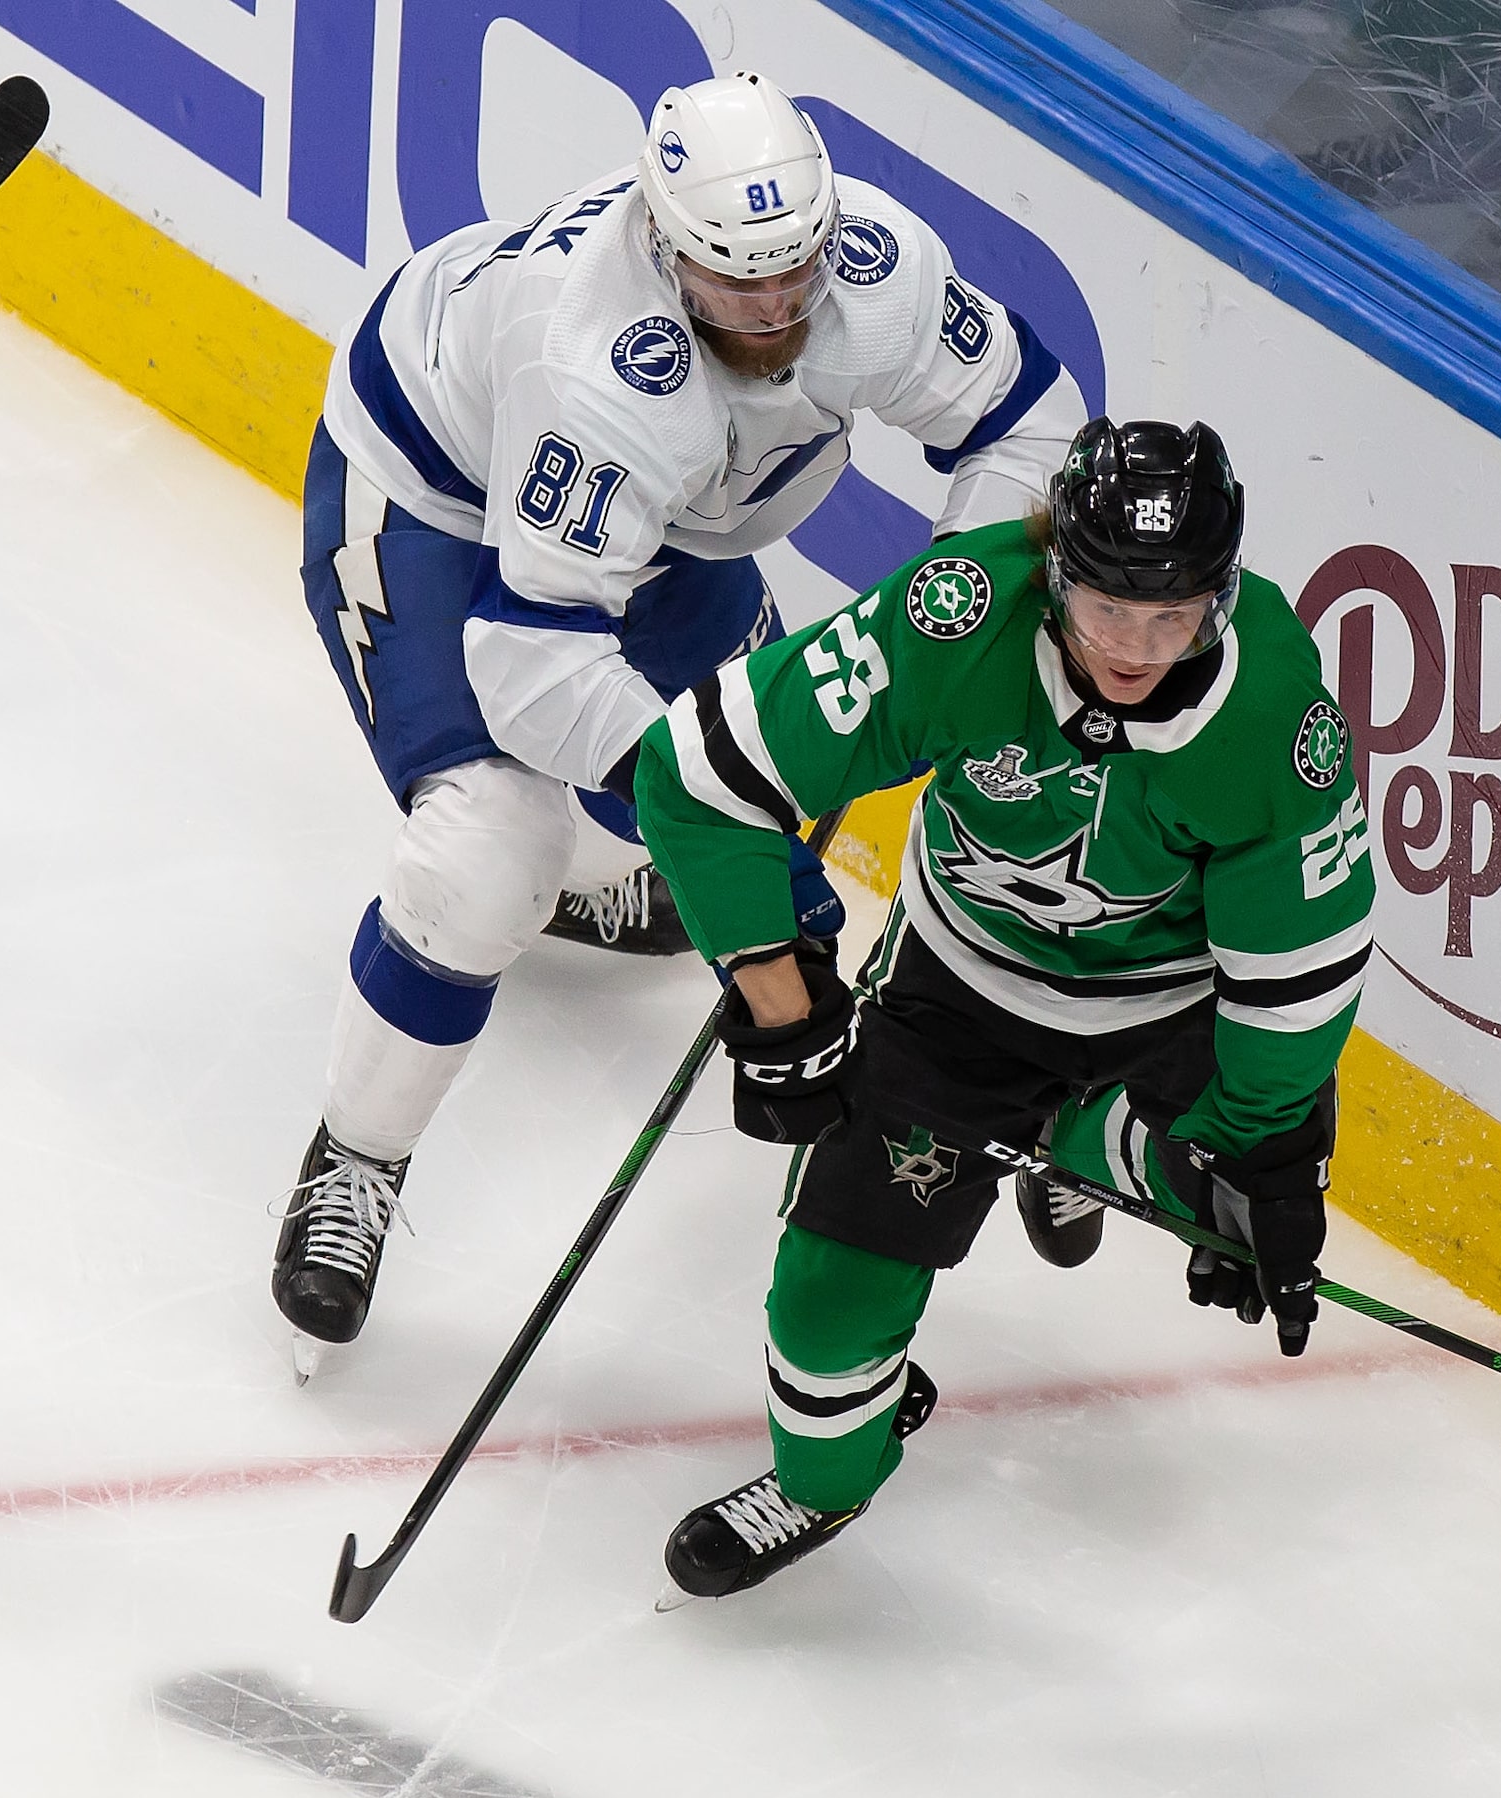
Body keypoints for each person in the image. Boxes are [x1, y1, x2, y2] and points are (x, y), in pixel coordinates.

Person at [275, 72, 1088, 1378]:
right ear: (663, 248)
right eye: (733, 282)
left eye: (794, 272)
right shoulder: (596, 364)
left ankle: (610, 883)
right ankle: (357, 1153)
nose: (774, 313)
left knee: (741, 825)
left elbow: (1026, 423)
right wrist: (718, 807)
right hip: (434, 505)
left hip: (660, 537)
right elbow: (535, 662)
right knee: (494, 850)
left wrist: (952, 622)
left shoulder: (869, 271)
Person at [631, 418, 1378, 1599]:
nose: (1135, 648)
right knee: (827, 1312)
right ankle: (828, 1480)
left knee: (1236, 1203)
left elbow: (1303, 962)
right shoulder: (956, 616)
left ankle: (1083, 1150)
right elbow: (698, 774)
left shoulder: (1276, 715)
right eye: (1106, 611)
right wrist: (783, 1010)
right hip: (960, 995)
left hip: (1165, 1017)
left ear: (1221, 601)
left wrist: (1273, 1158)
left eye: (1172, 616)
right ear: (1055, 579)